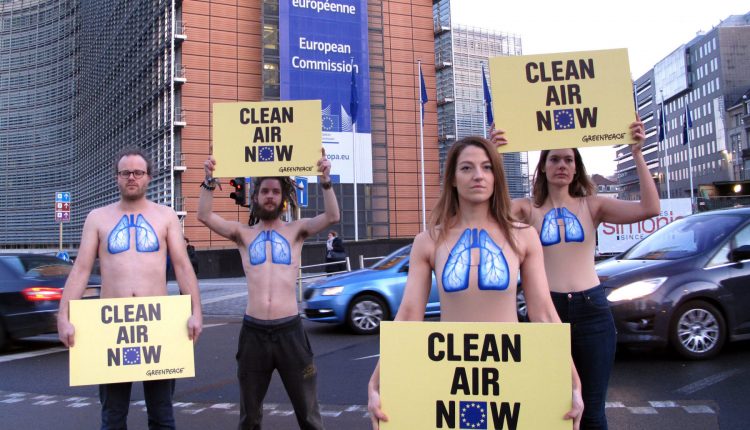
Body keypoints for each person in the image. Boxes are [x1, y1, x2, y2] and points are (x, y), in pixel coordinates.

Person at [367, 136, 583, 430]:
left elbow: (543, 313)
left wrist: (571, 382)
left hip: (510, 374)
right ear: (453, 179)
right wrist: (377, 383)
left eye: (486, 167)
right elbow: (408, 316)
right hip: (448, 377)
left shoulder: (523, 236)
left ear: (496, 176)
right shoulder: (428, 240)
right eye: (466, 168)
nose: (478, 176)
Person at [490, 118, 659, 430]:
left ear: (576, 167)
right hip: (546, 313)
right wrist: (495, 155)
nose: (562, 165)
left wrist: (637, 153)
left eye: (569, 159)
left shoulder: (593, 206)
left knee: (592, 413)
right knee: (552, 410)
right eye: (554, 159)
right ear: (542, 167)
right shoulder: (528, 209)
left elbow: (650, 208)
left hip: (592, 311)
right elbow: (490, 213)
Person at [57, 147, 203, 430]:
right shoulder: (97, 218)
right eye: (125, 173)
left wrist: (197, 311)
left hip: (158, 328)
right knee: (112, 418)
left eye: (138, 172)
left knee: (162, 417)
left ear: (149, 177)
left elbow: (183, 267)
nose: (132, 178)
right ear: (117, 178)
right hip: (112, 330)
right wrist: (64, 316)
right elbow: (81, 270)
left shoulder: (166, 216)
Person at [197, 149, 339, 430]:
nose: (270, 196)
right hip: (254, 335)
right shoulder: (243, 234)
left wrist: (325, 180)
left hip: (291, 333)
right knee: (250, 416)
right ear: (256, 197)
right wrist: (209, 179)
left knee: (308, 414)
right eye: (265, 191)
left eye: (275, 191)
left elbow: (332, 216)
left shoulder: (296, 230)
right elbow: (204, 215)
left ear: (283, 197)